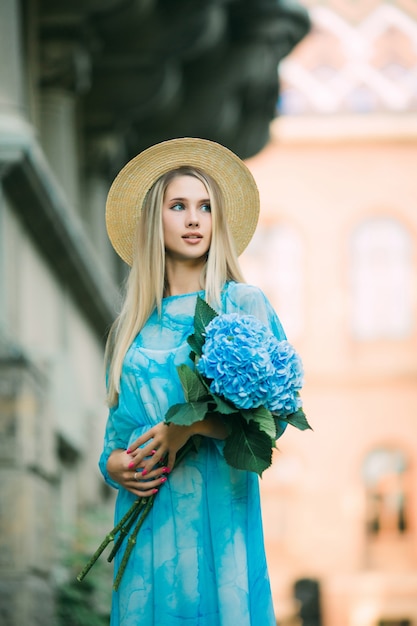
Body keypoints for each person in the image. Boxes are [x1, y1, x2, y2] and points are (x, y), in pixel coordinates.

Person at [99, 137, 287, 626]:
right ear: (153, 221)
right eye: (178, 206)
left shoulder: (241, 306)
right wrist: (116, 466)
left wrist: (192, 428)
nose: (193, 219)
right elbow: (115, 442)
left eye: (205, 207)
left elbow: (276, 419)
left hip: (220, 520)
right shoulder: (133, 330)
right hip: (148, 527)